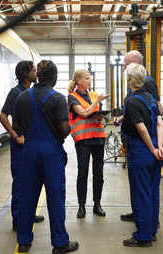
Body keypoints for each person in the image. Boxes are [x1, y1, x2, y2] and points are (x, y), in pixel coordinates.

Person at [12, 60, 79, 254]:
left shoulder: (22, 97)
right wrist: (67, 130)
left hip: (29, 152)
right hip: (51, 153)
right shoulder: (57, 98)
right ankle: (59, 243)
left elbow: (16, 126)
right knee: (56, 198)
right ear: (54, 77)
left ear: (39, 76)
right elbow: (64, 128)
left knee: (27, 197)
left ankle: (24, 241)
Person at [114, 50, 163, 222]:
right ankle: (142, 216)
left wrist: (153, 147)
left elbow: (155, 112)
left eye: (126, 65)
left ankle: (146, 224)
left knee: (143, 187)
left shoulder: (147, 84)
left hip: (142, 143)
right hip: (144, 142)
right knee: (141, 187)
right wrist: (124, 117)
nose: (124, 67)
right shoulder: (139, 90)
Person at [121, 63, 163, 247]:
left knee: (141, 193)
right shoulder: (149, 97)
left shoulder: (131, 101)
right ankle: (152, 228)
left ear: (129, 80)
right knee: (153, 191)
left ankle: (144, 236)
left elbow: (141, 128)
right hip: (156, 150)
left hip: (141, 151)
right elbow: (159, 124)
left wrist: (150, 148)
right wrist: (159, 147)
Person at [0, 61, 44, 232]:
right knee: (19, 182)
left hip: (30, 143)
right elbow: (3, 117)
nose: (36, 73)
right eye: (33, 70)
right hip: (20, 145)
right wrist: (15, 136)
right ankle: (18, 219)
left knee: (31, 181)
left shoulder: (29, 92)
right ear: (26, 74)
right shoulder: (15, 93)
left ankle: (28, 214)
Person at [67, 69, 110, 218]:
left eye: (90, 78)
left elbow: (95, 116)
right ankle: (81, 206)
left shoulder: (93, 95)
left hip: (98, 138)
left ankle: (97, 204)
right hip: (83, 140)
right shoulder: (72, 97)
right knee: (82, 173)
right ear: (78, 81)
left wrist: (102, 117)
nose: (89, 81)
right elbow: (83, 113)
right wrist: (97, 103)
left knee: (99, 173)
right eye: (86, 78)